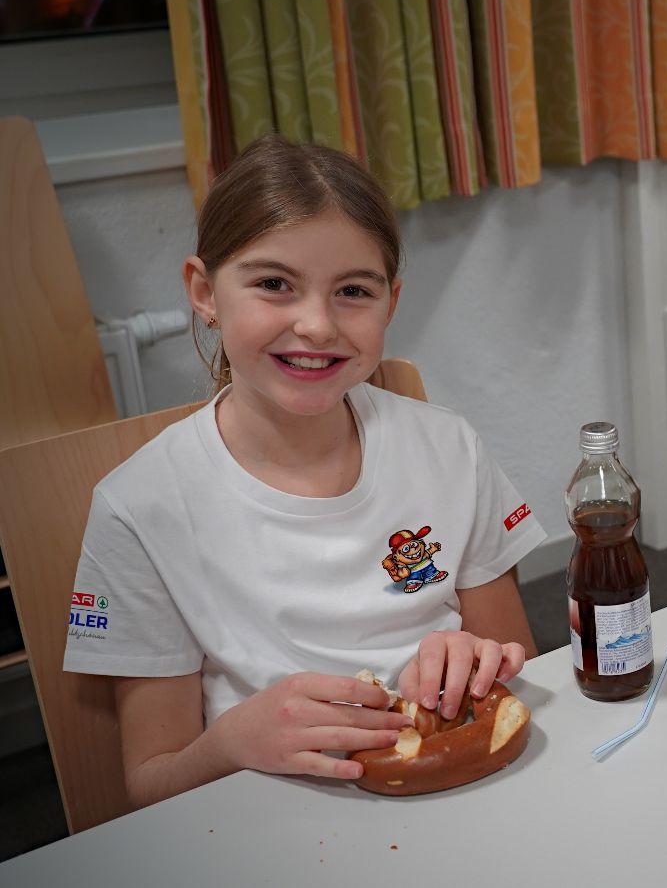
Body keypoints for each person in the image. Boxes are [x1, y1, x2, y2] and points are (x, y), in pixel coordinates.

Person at [63, 134, 547, 807]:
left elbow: (516, 662)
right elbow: (151, 782)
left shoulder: (449, 448)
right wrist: (232, 740)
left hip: (459, 793)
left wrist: (480, 659)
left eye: (352, 291)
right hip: (269, 819)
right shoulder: (139, 509)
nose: (317, 325)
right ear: (204, 291)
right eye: (274, 284)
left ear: (390, 303)